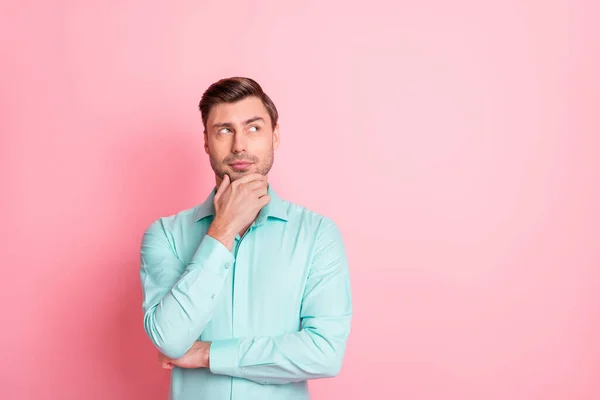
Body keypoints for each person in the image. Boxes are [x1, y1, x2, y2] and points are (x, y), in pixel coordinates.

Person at [139, 77, 352, 400]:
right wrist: (221, 229)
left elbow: (324, 351)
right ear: (207, 142)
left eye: (253, 128)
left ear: (274, 136)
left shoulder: (317, 235)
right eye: (224, 130)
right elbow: (169, 339)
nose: (239, 145)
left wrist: (208, 354)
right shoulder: (165, 235)